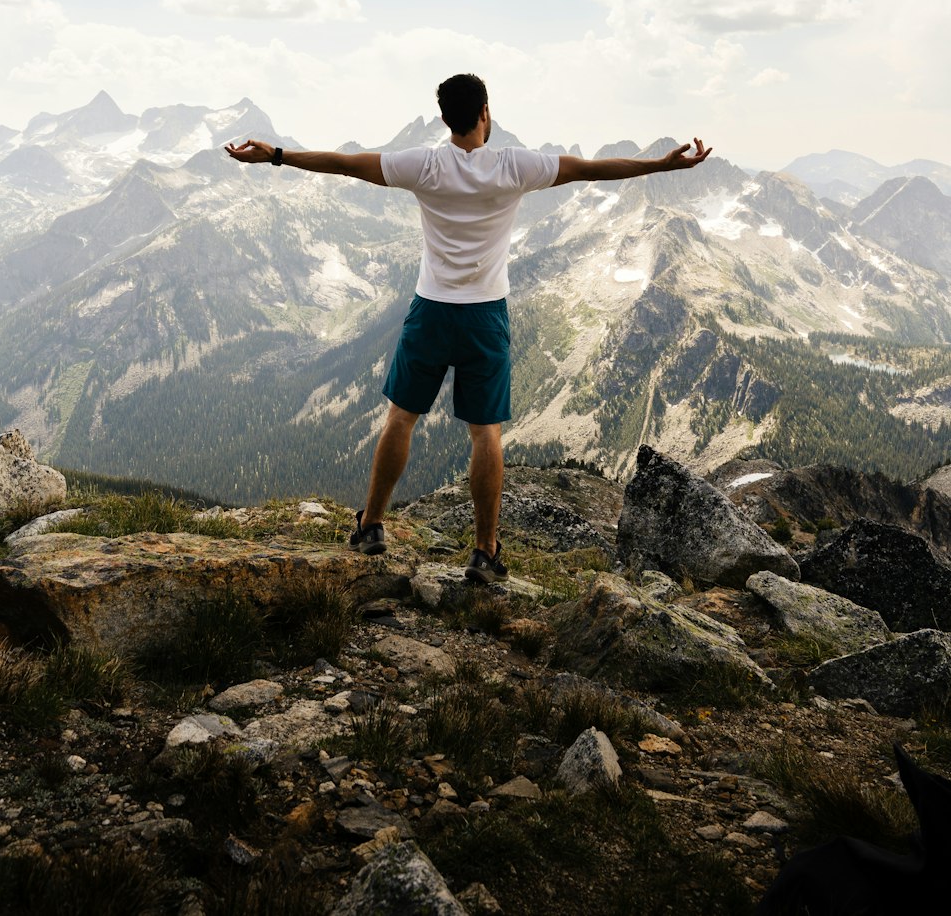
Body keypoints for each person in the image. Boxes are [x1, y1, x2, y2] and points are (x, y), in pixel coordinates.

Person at [225, 74, 711, 583]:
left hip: (431, 310)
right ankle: (484, 552)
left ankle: (370, 525)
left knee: (401, 419)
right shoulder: (514, 166)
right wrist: (661, 164)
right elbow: (591, 170)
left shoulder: (424, 164)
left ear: (444, 119)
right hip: (485, 316)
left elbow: (343, 164)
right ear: (486, 112)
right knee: (485, 434)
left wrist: (277, 154)